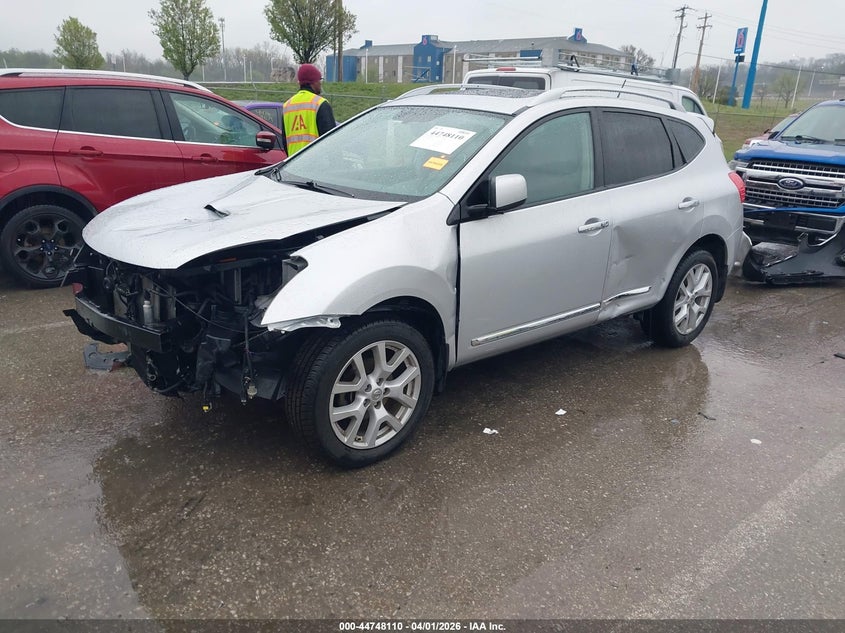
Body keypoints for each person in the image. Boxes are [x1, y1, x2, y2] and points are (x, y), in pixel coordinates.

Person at [283, 63, 336, 155]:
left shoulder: (287, 106)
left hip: (293, 165)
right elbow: (331, 141)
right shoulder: (320, 104)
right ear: (313, 82)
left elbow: (285, 142)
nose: (320, 83)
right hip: (317, 164)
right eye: (320, 80)